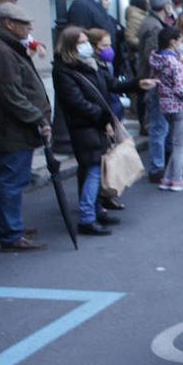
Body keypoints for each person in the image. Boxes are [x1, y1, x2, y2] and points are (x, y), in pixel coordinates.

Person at [0, 3, 49, 251]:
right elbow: (11, 94)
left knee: (14, 181)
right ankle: (11, 233)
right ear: (8, 23)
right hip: (10, 129)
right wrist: (37, 117)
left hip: (12, 127)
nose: (29, 28)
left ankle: (11, 227)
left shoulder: (2, 47)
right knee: (12, 182)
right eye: (25, 24)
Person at [52, 27, 127, 236]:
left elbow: (109, 85)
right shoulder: (65, 70)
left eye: (86, 41)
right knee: (92, 171)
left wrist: (137, 84)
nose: (86, 46)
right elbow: (77, 103)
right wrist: (103, 116)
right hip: (84, 127)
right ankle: (87, 217)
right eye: (81, 42)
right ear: (70, 46)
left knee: (92, 170)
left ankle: (94, 211)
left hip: (93, 124)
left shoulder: (87, 66)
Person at [148, 26, 183, 191]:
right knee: (179, 142)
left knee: (181, 141)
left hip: (165, 104)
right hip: (180, 104)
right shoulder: (175, 63)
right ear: (173, 42)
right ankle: (177, 178)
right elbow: (182, 87)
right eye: (181, 40)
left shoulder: (158, 59)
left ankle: (168, 177)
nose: (182, 44)